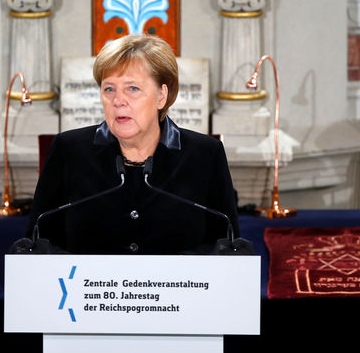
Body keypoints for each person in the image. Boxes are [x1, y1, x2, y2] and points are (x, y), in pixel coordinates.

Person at [24, 34, 242, 254]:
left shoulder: (204, 154)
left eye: (132, 88)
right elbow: (40, 241)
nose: (118, 101)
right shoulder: (69, 150)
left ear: (161, 96)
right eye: (109, 89)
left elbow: (225, 244)